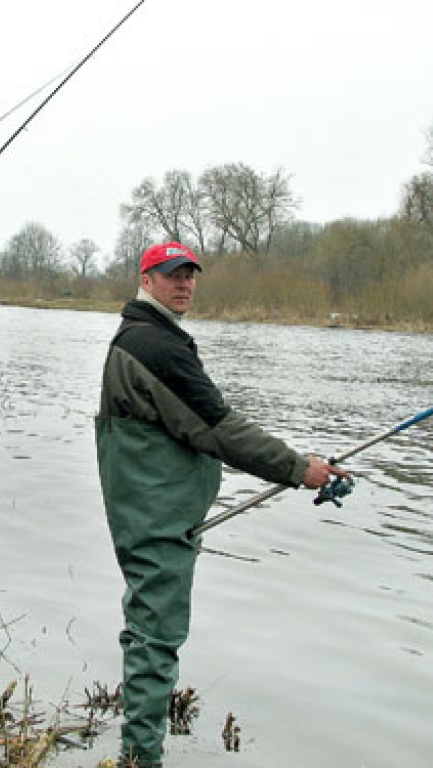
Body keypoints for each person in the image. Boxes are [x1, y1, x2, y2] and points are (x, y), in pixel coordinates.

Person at [95, 242, 348, 768]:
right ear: (146, 280)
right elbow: (218, 427)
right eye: (171, 276)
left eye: (190, 275)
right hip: (156, 518)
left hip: (157, 512)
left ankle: (139, 750)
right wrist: (298, 468)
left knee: (148, 630)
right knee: (155, 636)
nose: (183, 284)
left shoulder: (149, 338)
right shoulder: (154, 347)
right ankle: (141, 758)